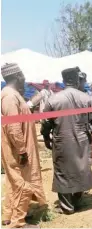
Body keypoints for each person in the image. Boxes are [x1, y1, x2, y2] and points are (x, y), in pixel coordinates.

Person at [41, 67, 92, 214]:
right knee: (81, 169)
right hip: (83, 140)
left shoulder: (54, 99)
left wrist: (45, 138)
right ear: (77, 80)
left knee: (63, 172)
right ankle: (77, 198)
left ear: (63, 81)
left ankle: (67, 206)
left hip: (62, 141)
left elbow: (45, 124)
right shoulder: (88, 99)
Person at [1, 63, 47, 228]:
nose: (25, 78)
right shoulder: (9, 96)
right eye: (22, 75)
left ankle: (8, 215)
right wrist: (22, 150)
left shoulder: (11, 95)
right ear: (17, 76)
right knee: (21, 183)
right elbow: (13, 127)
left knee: (14, 182)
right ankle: (18, 223)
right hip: (17, 148)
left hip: (18, 146)